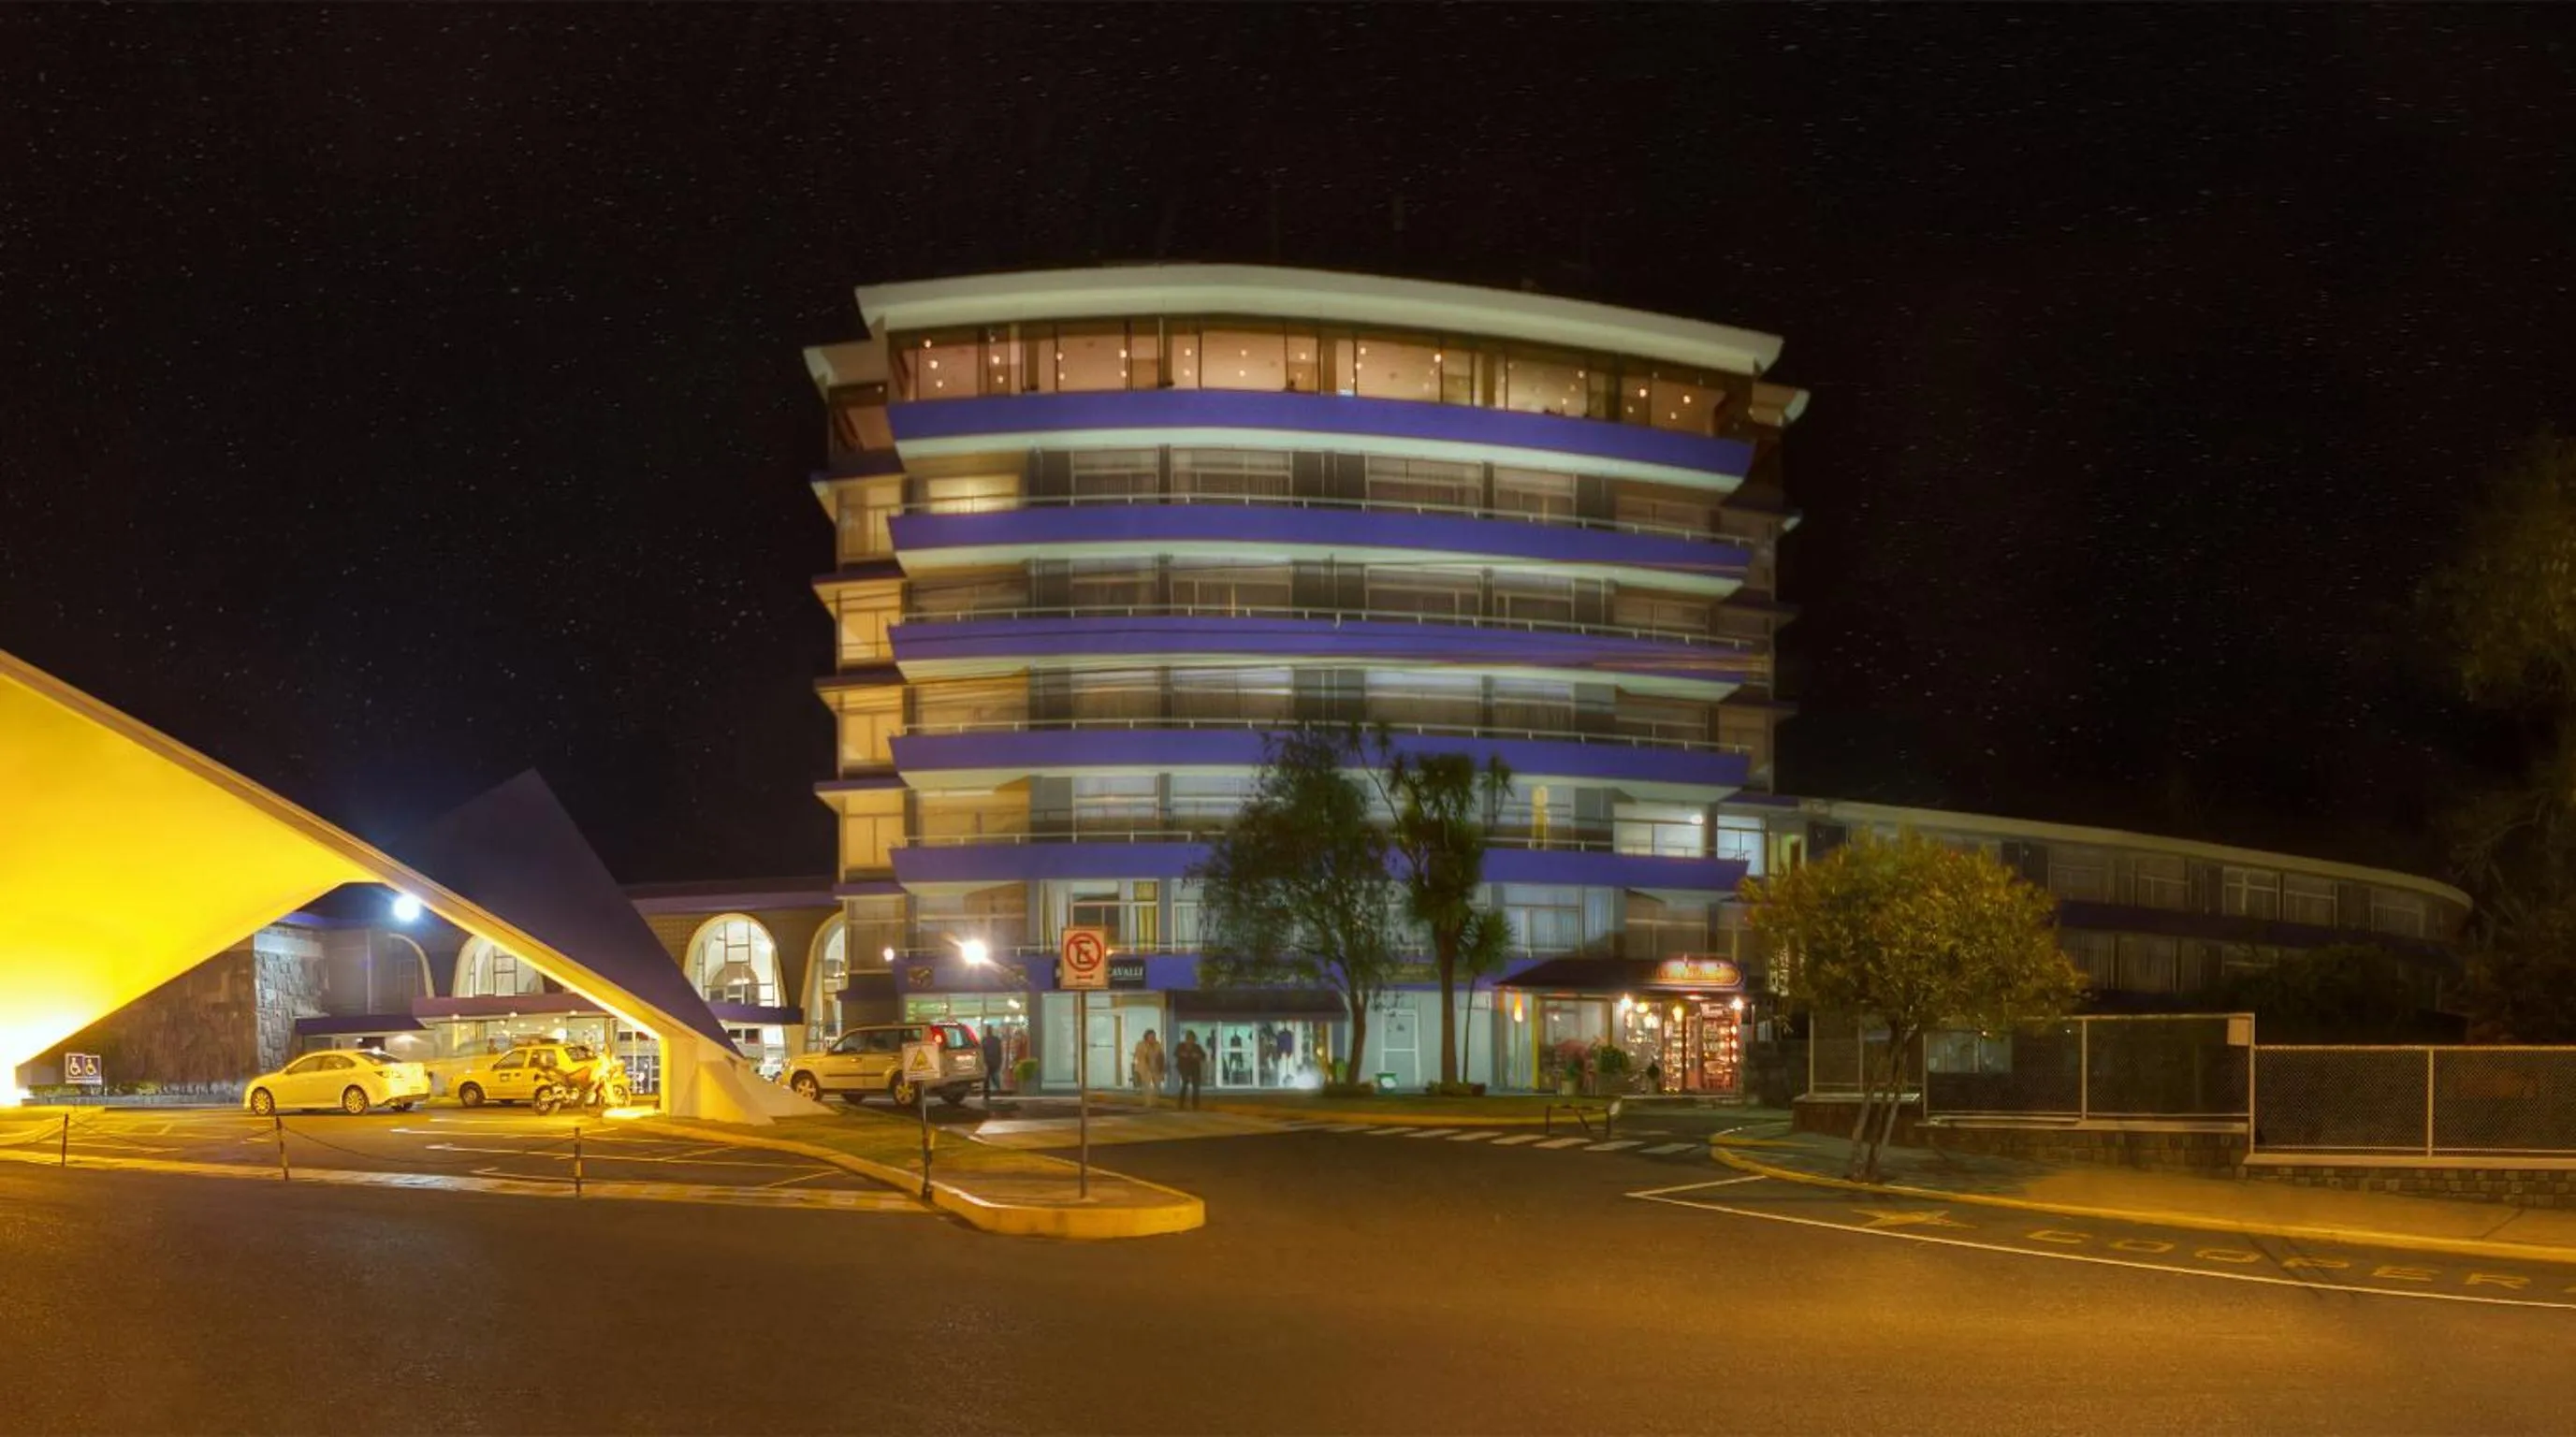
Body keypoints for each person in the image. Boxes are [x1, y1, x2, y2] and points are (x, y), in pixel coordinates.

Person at [1132, 1029, 1166, 1109]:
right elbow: (1137, 1056)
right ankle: (1148, 1103)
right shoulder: (1141, 1044)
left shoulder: (1157, 1045)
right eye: (1151, 1036)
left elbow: (1161, 1056)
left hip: (1156, 1069)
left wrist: (1162, 1067)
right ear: (1146, 1037)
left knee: (1157, 1086)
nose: (1153, 1038)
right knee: (1147, 1087)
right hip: (1145, 1069)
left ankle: (1155, 1102)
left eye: (1154, 1036)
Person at [1173, 1030, 1206, 1110]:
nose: (1191, 1041)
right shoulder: (1181, 1046)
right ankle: (1181, 1104)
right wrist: (1182, 1054)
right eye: (1189, 1039)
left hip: (1195, 1069)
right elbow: (1176, 1053)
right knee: (1184, 1085)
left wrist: (1197, 1056)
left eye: (1192, 1039)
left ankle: (1195, 1105)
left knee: (1196, 1087)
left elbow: (1203, 1056)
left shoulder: (1197, 1047)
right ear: (1186, 1039)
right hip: (1184, 1068)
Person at [980, 1023, 1004, 1098]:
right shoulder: (995, 1040)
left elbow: (982, 1051)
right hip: (992, 1061)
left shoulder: (985, 1040)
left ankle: (988, 1093)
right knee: (991, 1077)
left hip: (989, 1061)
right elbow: (1000, 1051)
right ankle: (996, 1090)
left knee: (989, 1077)